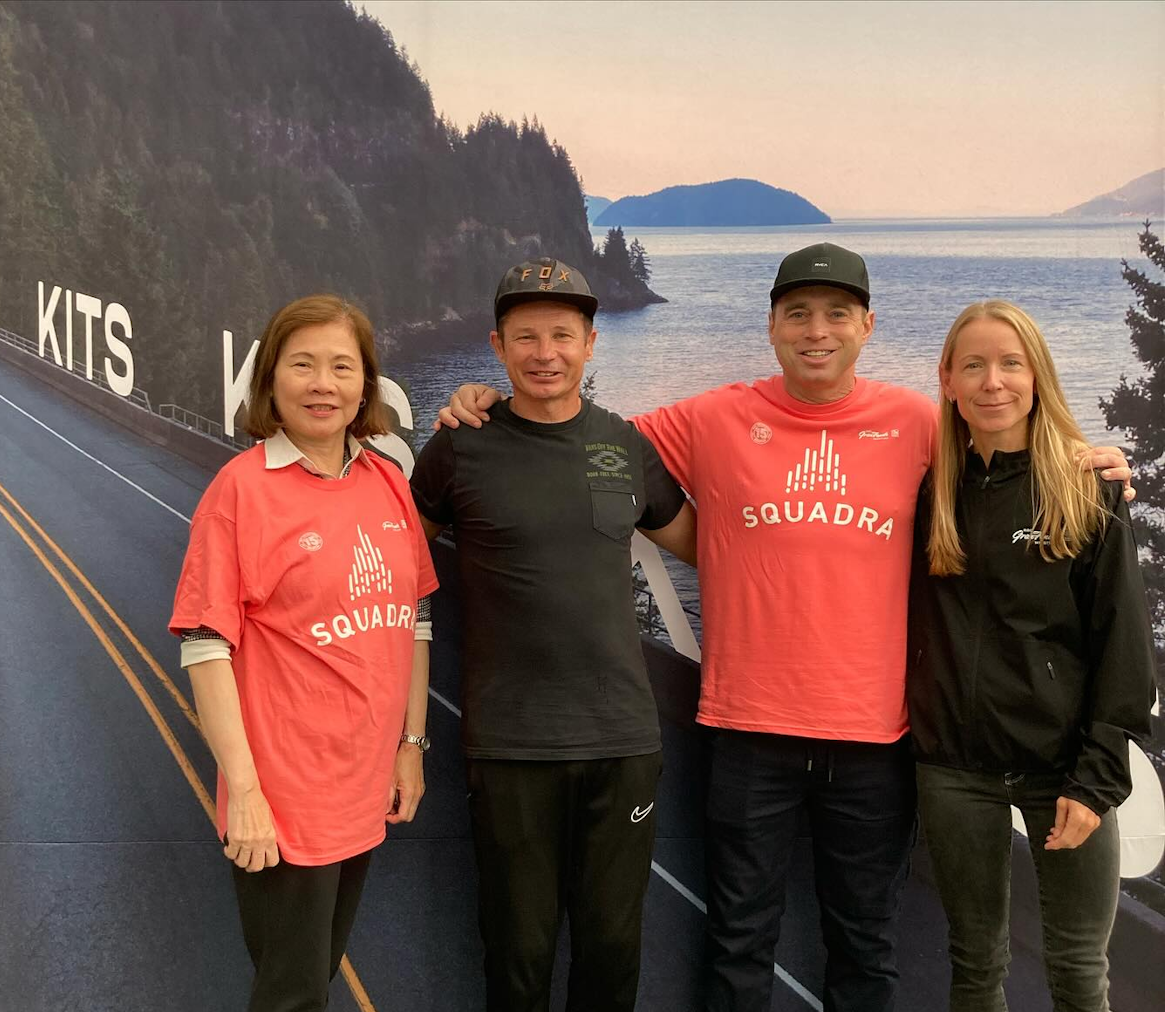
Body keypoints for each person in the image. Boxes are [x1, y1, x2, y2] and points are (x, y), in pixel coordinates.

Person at [438, 243, 1134, 1012]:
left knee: (866, 950)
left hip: (876, 740)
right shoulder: (712, 417)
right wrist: (484, 402)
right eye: (797, 313)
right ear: (771, 326)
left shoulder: (915, 422)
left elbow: (1005, 447)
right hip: (746, 732)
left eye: (838, 314)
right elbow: (575, 435)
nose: (817, 331)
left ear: (867, 325)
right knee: (738, 943)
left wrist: (1082, 455)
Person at [410, 258, 696, 1012]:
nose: (546, 353)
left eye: (563, 335)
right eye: (527, 336)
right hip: (511, 744)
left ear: (591, 343)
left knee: (611, 947)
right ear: (498, 346)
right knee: (518, 951)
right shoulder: (459, 446)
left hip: (623, 742)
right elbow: (392, 553)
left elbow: (707, 543)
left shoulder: (625, 445)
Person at [168, 294, 439, 1012]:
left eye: (342, 366)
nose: (324, 383)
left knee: (311, 978)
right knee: (291, 995)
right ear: (270, 382)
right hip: (285, 798)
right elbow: (205, 646)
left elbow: (412, 619)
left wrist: (410, 745)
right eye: (304, 364)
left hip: (362, 789)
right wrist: (247, 795)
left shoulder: (386, 480)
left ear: (366, 385)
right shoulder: (242, 491)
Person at [907, 300, 1155, 1012]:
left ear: (1038, 376)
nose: (994, 382)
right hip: (953, 769)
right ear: (947, 380)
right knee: (976, 965)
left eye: (1011, 363)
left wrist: (1097, 778)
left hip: (1064, 768)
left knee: (1078, 969)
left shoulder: (1087, 491)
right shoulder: (931, 493)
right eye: (974, 365)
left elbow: (1124, 647)